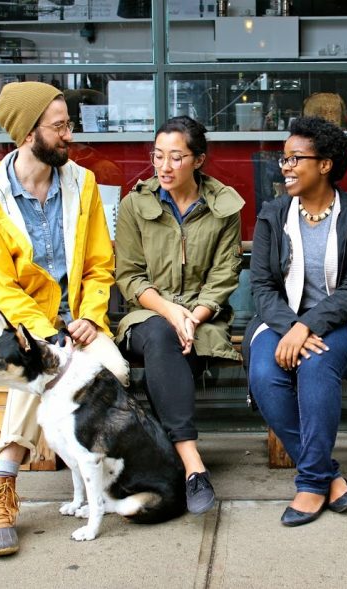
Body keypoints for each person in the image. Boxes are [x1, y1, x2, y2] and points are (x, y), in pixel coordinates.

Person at [0, 81, 130, 557]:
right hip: (14, 320)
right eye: (59, 126)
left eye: (68, 124)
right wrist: (45, 335)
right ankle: (3, 485)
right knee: (31, 369)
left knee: (114, 371)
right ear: (26, 133)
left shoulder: (84, 183)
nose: (69, 134)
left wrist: (90, 317)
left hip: (76, 318)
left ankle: (91, 471)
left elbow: (101, 266)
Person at [243, 116, 347, 527]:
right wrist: (290, 325)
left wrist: (306, 327)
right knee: (264, 372)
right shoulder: (273, 214)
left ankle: (311, 483)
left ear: (325, 165)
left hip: (344, 322)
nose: (285, 166)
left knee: (316, 363)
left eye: (295, 158)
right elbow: (262, 286)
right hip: (279, 319)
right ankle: (330, 475)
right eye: (284, 158)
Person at [114, 116, 244, 516]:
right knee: (159, 334)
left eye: (176, 157)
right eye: (157, 156)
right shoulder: (136, 204)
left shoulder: (225, 206)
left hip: (204, 320)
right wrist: (172, 312)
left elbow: (225, 275)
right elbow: (129, 275)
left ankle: (162, 463)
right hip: (147, 314)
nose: (164, 166)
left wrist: (194, 317)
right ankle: (193, 465)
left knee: (170, 345)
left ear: (198, 160)